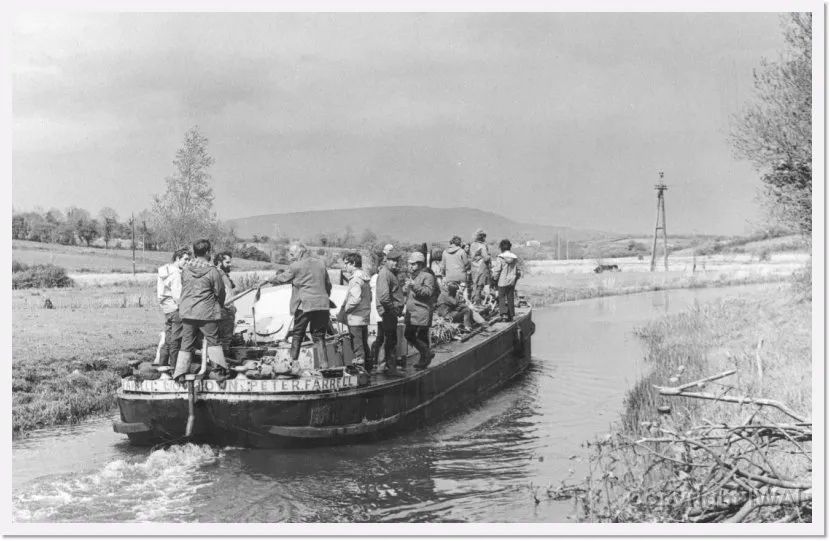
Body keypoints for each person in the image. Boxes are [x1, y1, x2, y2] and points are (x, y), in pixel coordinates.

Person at [267, 242, 333, 365]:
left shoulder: (296, 266)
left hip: (305, 305)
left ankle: (292, 365)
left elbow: (282, 278)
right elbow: (328, 285)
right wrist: (322, 297)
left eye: (292, 254)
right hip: (322, 305)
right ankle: (325, 367)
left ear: (300, 252)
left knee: (297, 334)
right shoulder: (320, 263)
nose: (290, 256)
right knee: (319, 336)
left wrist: (268, 279)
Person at [174, 239, 227, 382]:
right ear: (208, 252)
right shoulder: (212, 271)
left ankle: (180, 374)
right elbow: (220, 292)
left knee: (186, 342)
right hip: (207, 313)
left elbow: (185, 288)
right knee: (213, 342)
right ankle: (218, 374)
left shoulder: (185, 270)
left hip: (188, 312)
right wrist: (219, 306)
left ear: (194, 252)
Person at [338, 252, 373, 372]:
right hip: (363, 316)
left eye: (347, 264)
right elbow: (370, 297)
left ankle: (361, 372)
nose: (345, 267)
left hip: (355, 318)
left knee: (357, 347)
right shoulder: (365, 277)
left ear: (353, 263)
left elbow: (355, 298)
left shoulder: (355, 279)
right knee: (364, 344)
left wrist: (346, 309)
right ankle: (369, 370)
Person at [156, 248, 190, 367]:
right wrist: (184, 310)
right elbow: (177, 296)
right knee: (176, 340)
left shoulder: (165, 271)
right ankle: (174, 368)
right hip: (175, 309)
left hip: (167, 309)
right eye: (185, 259)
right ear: (177, 258)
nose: (187, 262)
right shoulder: (175, 274)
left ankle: (162, 365)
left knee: (168, 339)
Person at [372, 250, 404, 376]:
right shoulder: (385, 274)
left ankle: (382, 366)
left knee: (387, 340)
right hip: (388, 313)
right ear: (387, 261)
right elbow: (384, 297)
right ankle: (392, 369)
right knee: (391, 341)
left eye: (397, 261)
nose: (396, 263)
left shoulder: (389, 273)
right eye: (393, 261)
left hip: (388, 312)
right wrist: (394, 310)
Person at [404, 251, 436, 370]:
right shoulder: (414, 276)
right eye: (410, 264)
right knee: (412, 335)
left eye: (413, 264)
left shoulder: (427, 276)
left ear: (420, 264)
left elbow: (428, 292)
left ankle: (425, 356)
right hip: (413, 311)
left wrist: (413, 286)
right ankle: (426, 356)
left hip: (421, 311)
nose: (410, 266)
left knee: (415, 335)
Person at [491, 239, 522, 322]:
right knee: (510, 297)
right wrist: (515, 278)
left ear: (501, 247)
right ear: (510, 247)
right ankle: (511, 315)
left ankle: (504, 314)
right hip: (511, 281)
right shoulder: (514, 257)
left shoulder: (500, 257)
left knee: (501, 297)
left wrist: (494, 278)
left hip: (502, 281)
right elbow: (518, 270)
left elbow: (497, 270)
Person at [213, 251, 237, 358]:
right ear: (219, 262)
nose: (230, 264)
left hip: (227, 309)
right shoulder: (217, 274)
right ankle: (223, 365)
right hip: (223, 311)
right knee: (223, 341)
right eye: (227, 262)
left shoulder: (223, 274)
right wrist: (228, 308)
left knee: (225, 340)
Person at [469, 229, 491, 305]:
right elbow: (486, 258)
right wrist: (489, 256)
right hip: (481, 267)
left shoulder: (472, 245)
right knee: (479, 286)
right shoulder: (482, 246)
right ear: (482, 237)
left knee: (474, 285)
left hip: (474, 267)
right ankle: (477, 303)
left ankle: (473, 301)